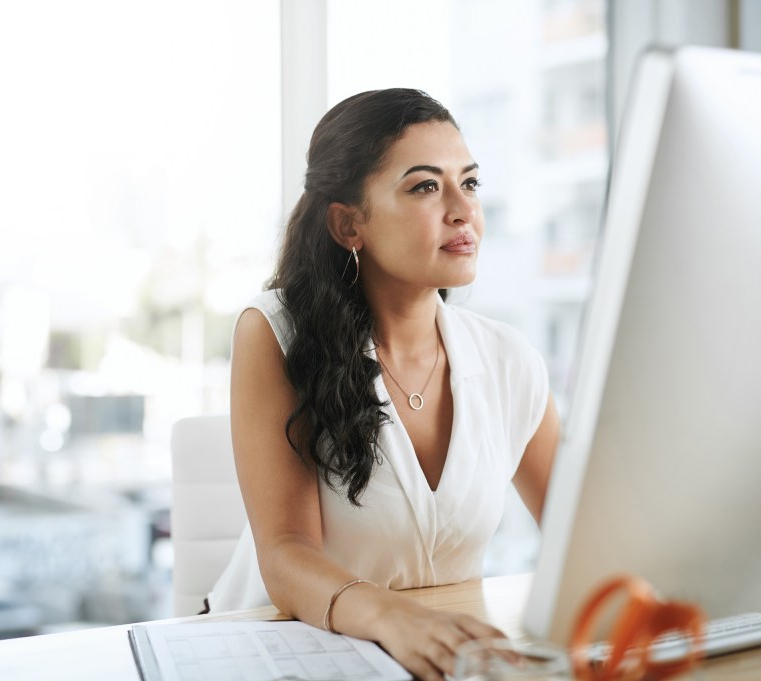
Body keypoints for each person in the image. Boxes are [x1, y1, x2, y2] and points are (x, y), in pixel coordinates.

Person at [207, 88, 560, 681]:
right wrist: (391, 617)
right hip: (272, 653)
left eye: (469, 183)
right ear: (349, 223)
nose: (462, 210)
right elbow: (286, 553)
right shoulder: (275, 332)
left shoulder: (508, 359)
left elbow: (584, 531)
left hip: (434, 658)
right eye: (425, 186)